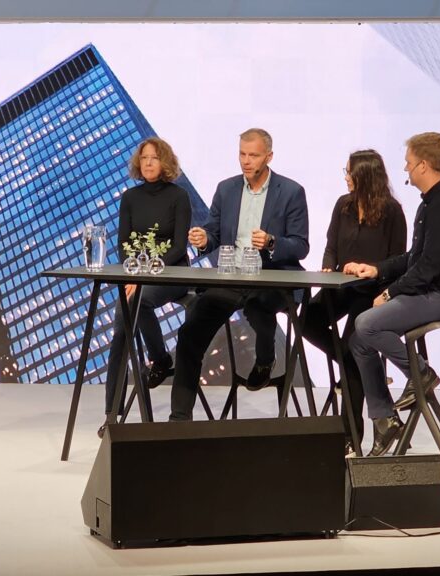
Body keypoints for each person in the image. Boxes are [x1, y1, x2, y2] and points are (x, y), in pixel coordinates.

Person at [344, 132, 440, 457]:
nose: (405, 170)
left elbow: (428, 268)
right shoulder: (433, 202)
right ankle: (384, 419)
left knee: (367, 323)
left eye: (408, 163)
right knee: (358, 340)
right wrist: (376, 270)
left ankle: (420, 372)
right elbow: (413, 259)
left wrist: (389, 294)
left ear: (423, 165)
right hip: (430, 290)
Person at [169, 128, 309, 421]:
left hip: (272, 276)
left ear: (268, 156)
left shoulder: (292, 191)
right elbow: (215, 231)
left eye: (253, 155)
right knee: (190, 332)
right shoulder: (226, 188)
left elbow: (301, 245)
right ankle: (179, 418)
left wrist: (272, 242)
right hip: (233, 276)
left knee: (259, 308)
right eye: (242, 154)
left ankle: (266, 360)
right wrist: (204, 239)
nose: (246, 161)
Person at [301, 150, 406, 454]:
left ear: (365, 176)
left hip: (372, 291)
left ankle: (351, 436)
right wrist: (327, 266)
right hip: (342, 285)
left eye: (349, 172)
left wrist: (372, 277)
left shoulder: (392, 211)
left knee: (354, 346)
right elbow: (331, 246)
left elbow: (397, 260)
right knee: (308, 320)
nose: (345, 177)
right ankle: (353, 363)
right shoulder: (343, 205)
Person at [100, 137, 193, 437]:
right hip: (137, 277)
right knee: (119, 333)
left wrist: (146, 274)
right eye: (144, 158)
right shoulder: (130, 197)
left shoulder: (179, 196)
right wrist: (133, 274)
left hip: (173, 274)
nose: (149, 162)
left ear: (165, 162)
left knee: (140, 301)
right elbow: (124, 244)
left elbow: (179, 246)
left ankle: (161, 359)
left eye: (154, 157)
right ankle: (111, 416)